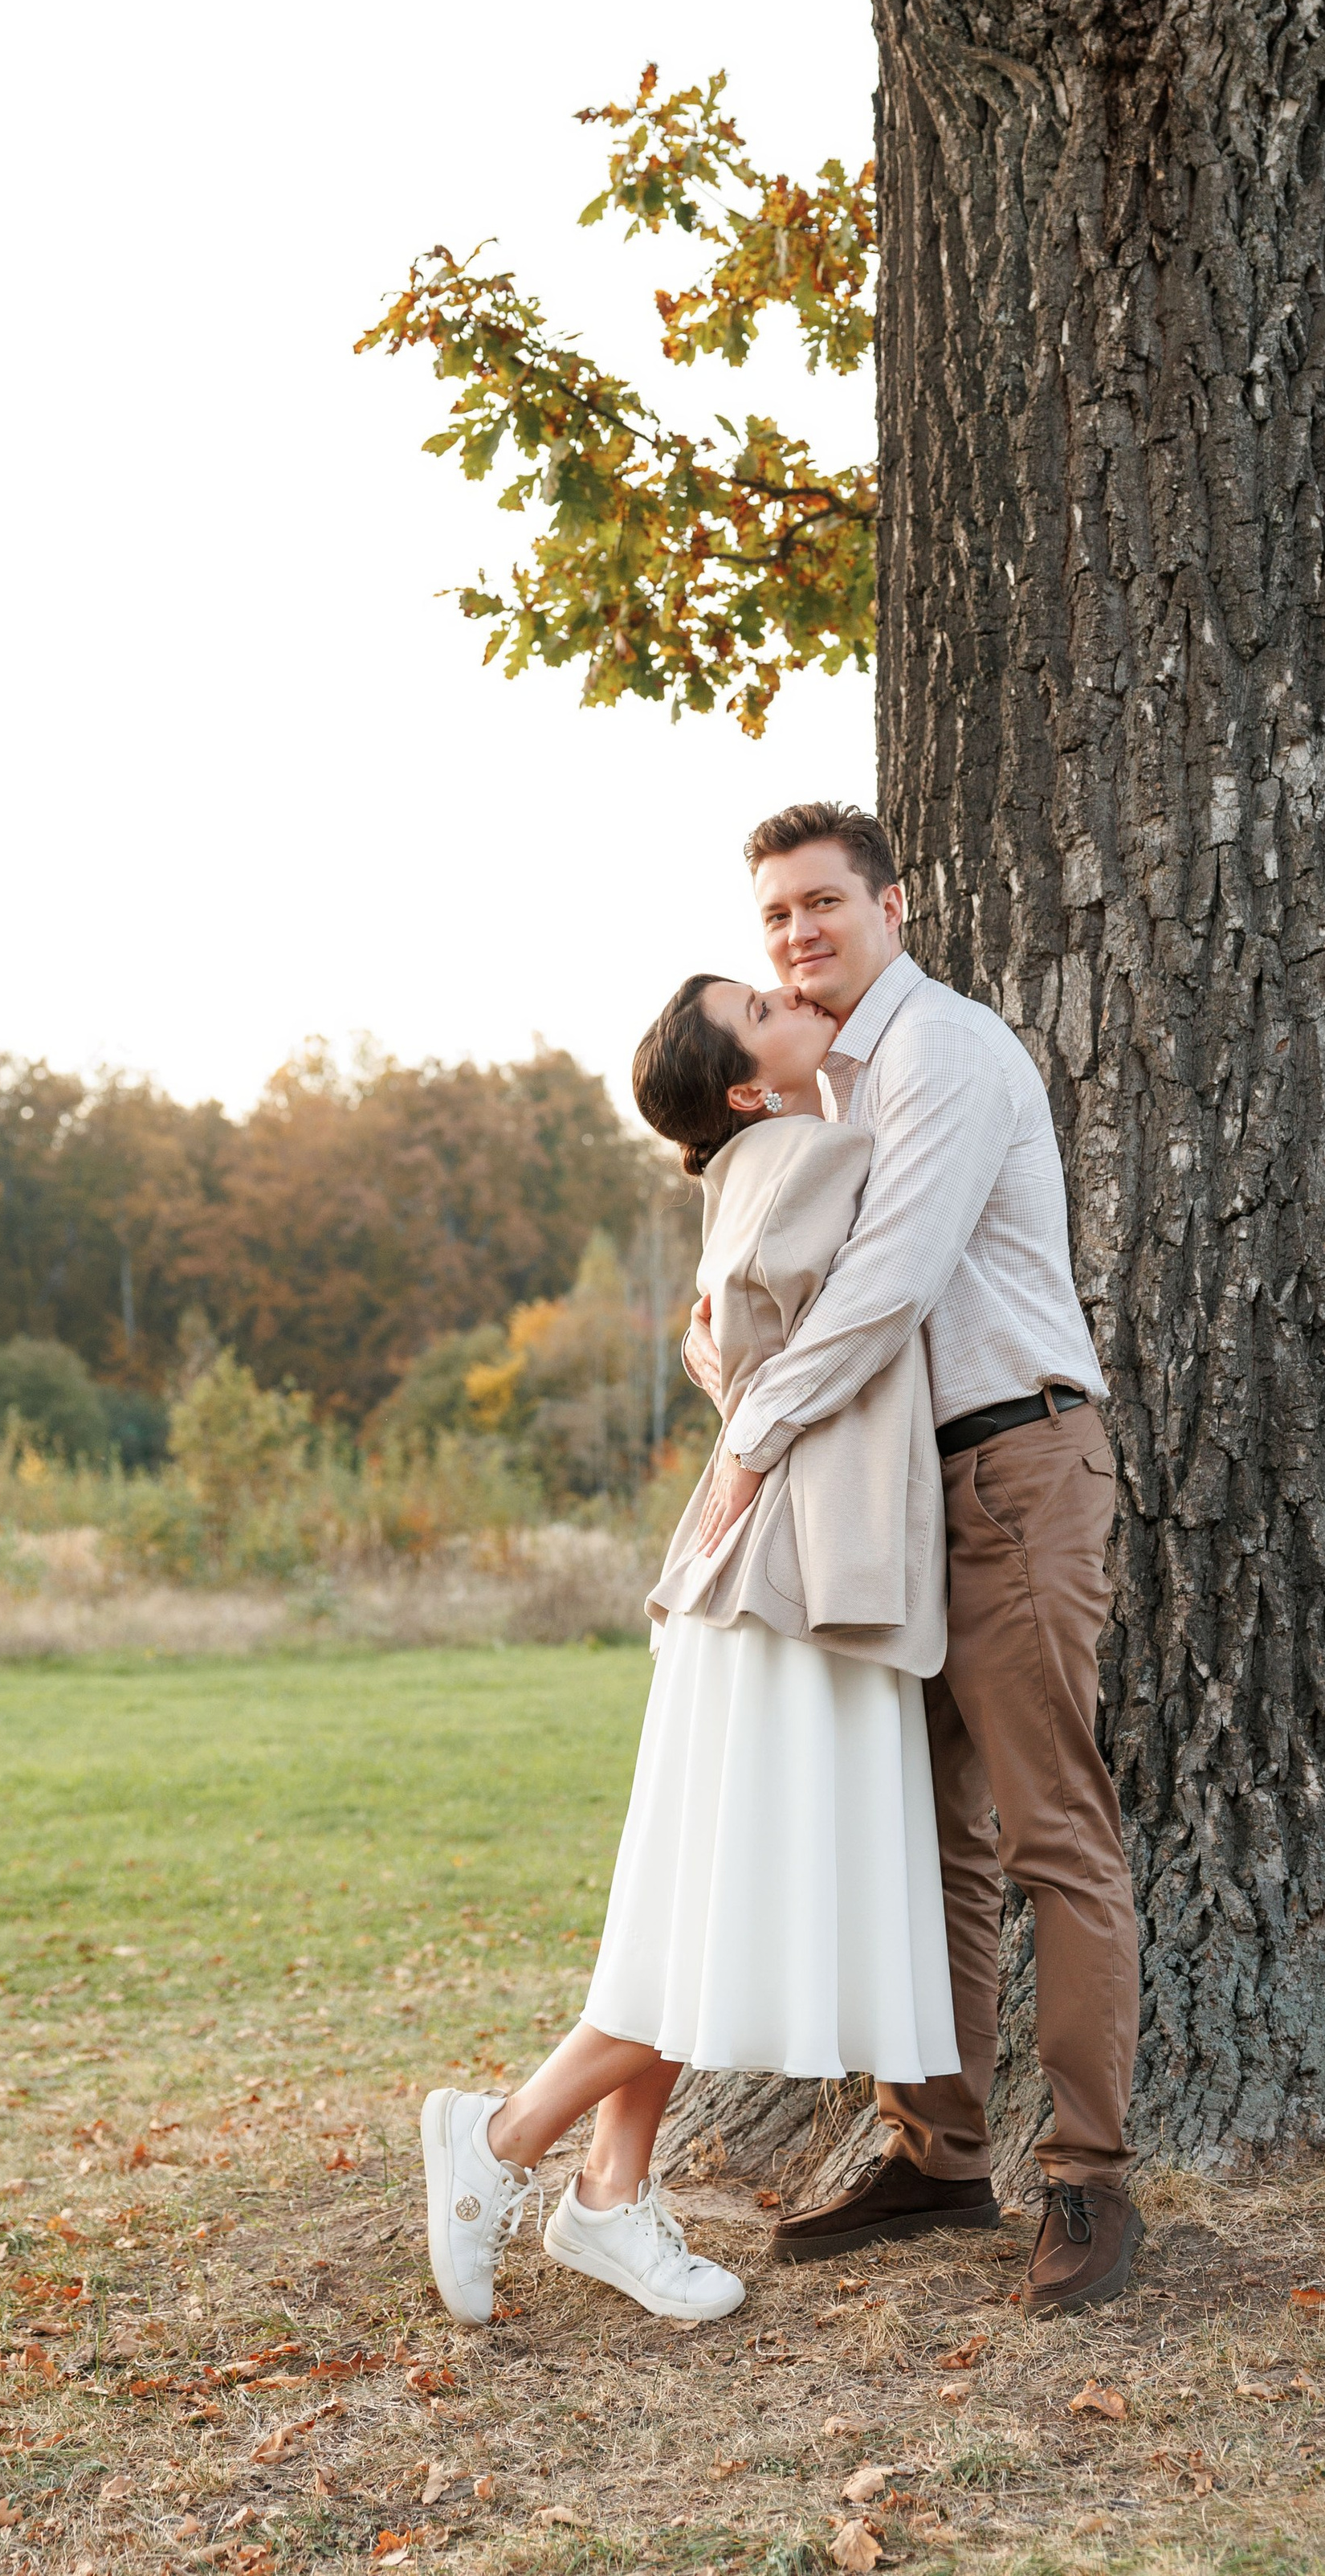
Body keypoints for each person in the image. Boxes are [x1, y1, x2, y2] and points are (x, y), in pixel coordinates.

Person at [419, 972, 962, 2329]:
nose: (790, 992)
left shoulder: (768, 1152)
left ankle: (606, 2194)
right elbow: (814, 1307)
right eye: (759, 1007)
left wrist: (730, 1384)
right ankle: (498, 2143)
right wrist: (746, 1400)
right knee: (719, 1911)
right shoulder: (820, 1149)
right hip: (783, 1587)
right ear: (746, 1086)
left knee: (698, 1902)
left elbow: (734, 1329)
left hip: (764, 1583)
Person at [683, 802, 1143, 2314]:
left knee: (1048, 1830)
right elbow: (779, 1303)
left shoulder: (943, 1050)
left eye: (823, 904)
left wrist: (752, 1441)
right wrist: (733, 1386)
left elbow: (887, 1285)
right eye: (776, 921)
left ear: (893, 902)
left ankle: (1088, 2181)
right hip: (892, 1495)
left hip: (1014, 1461)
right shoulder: (819, 1092)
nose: (800, 935)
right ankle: (938, 2154)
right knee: (923, 1835)